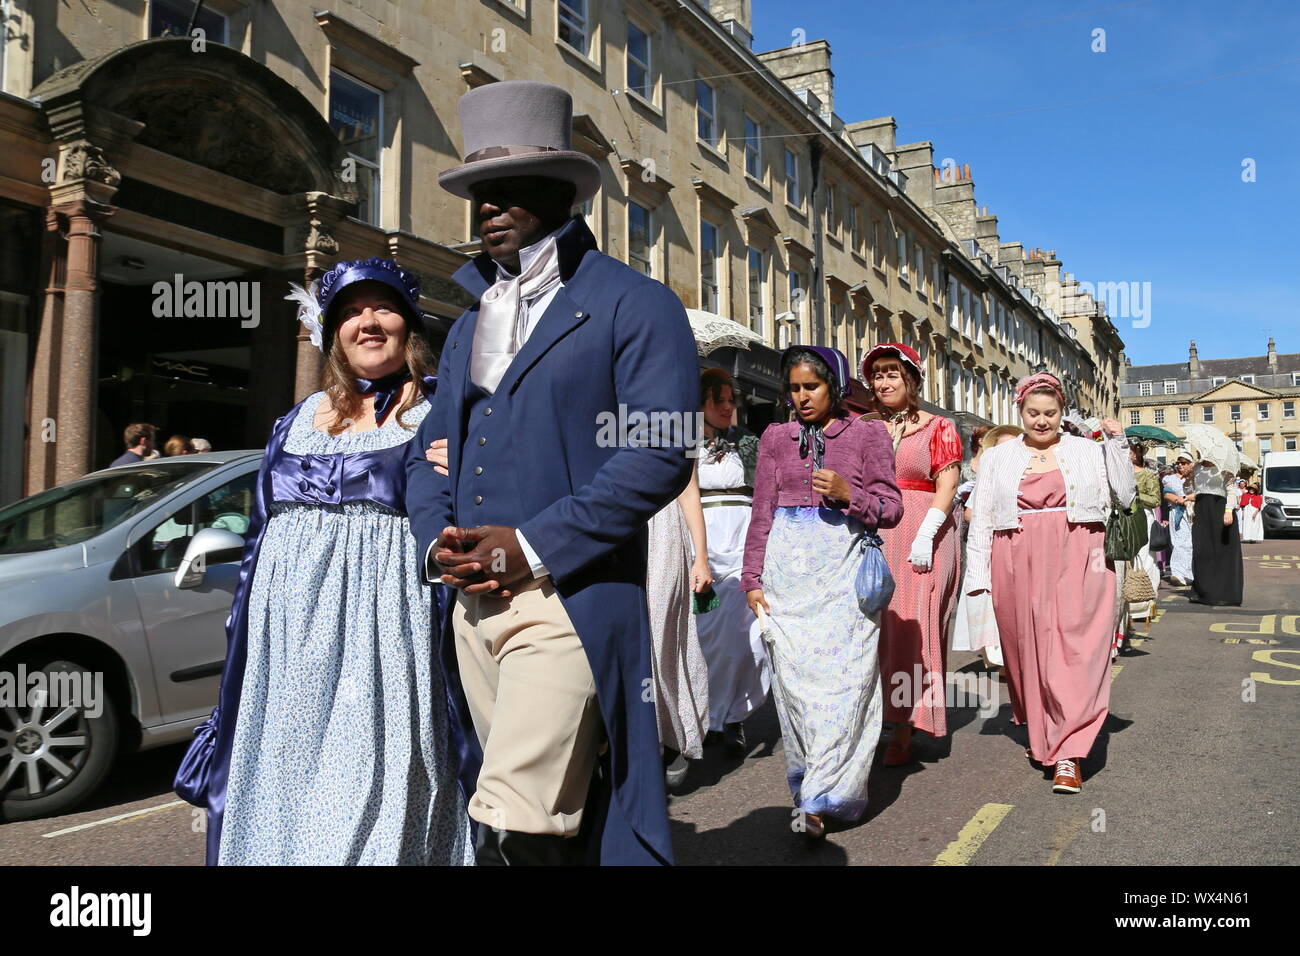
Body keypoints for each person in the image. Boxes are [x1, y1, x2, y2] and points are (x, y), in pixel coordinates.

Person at [406, 80, 697, 866]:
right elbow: (429, 452)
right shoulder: (467, 325)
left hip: (571, 597)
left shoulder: (638, 305)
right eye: (476, 192)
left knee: (521, 818)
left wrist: (531, 545)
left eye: (506, 188)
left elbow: (661, 451)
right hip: (472, 608)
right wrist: (438, 540)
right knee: (549, 817)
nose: (486, 208)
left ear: (563, 191)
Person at [174, 258, 473, 866]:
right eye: (352, 311)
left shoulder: (445, 412)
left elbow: (478, 509)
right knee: (288, 781)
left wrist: (467, 474)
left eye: (383, 307)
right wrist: (244, 640)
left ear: (409, 325)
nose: (368, 322)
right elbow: (259, 534)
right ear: (332, 330)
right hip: (290, 640)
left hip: (388, 631)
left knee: (375, 787)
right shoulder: (295, 421)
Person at [742, 346, 902, 837]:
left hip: (843, 574)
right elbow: (762, 511)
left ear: (833, 385)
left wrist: (848, 495)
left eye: (811, 386)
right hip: (787, 576)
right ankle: (811, 783)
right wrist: (752, 578)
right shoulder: (774, 436)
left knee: (844, 686)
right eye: (793, 388)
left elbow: (892, 507)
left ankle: (823, 796)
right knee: (796, 689)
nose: (801, 397)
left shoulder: (867, 432)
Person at [965, 372, 1135, 795]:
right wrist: (978, 579)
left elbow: (1126, 496)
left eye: (1051, 413)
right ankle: (1043, 735)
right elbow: (982, 519)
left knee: (1076, 649)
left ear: (1062, 413)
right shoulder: (998, 458)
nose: (1042, 421)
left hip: (1081, 552)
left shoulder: (1087, 449)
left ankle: (1068, 753)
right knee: (1026, 655)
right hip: (1014, 557)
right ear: (1019, 411)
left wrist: (1117, 442)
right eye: (1033, 413)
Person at [860, 343, 963, 766]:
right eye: (878, 375)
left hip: (926, 532)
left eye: (892, 374)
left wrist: (926, 535)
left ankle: (905, 725)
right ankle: (880, 716)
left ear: (912, 380)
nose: (884, 382)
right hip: (878, 531)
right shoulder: (863, 426)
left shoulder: (939, 427)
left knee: (915, 627)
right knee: (878, 626)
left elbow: (948, 485)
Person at [694, 368, 770, 756]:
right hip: (703, 544)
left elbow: (766, 491)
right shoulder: (682, 441)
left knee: (750, 636)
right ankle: (707, 717)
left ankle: (737, 715)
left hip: (744, 540)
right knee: (708, 637)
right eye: (717, 400)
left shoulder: (748, 443)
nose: (726, 407)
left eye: (731, 400)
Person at [952, 425, 1023, 675]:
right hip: (991, 544)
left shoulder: (1030, 472)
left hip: (1023, 548)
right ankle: (999, 656)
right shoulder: (987, 473)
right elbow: (971, 513)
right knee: (990, 601)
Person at [1189, 459, 1244, 606]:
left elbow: (1231, 492)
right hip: (1201, 512)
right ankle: (1203, 591)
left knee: (1221, 553)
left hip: (1220, 510)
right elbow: (1193, 490)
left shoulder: (1224, 469)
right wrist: (1188, 477)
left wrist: (1228, 511)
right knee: (1202, 551)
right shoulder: (1196, 468)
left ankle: (1223, 593)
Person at [1163, 450, 1196, 586]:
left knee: (1190, 543)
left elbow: (1199, 494)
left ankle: (1188, 573)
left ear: (1190, 464)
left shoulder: (1195, 479)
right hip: (1177, 512)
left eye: (1184, 463)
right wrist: (1180, 500)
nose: (1180, 465)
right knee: (1178, 542)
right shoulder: (1170, 479)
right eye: (1179, 463)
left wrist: (1189, 499)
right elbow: (1166, 495)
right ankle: (1177, 573)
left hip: (1193, 512)